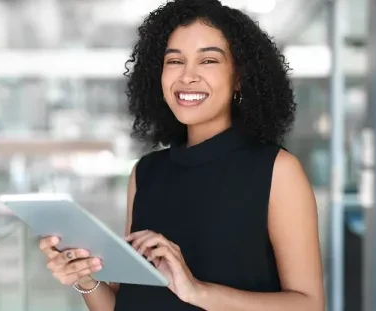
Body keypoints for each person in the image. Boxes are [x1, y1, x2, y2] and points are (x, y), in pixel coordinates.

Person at [38, 0, 325, 310]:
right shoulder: (145, 173)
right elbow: (128, 304)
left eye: (208, 61)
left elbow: (309, 305)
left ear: (239, 76)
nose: (187, 76)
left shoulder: (277, 171)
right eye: (174, 61)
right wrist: (85, 277)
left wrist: (198, 292)